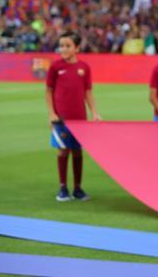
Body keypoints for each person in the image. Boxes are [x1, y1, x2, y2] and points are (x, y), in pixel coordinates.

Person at [45, 31, 100, 202]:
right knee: (63, 151)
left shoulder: (84, 68)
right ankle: (63, 188)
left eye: (68, 46)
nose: (64, 49)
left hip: (80, 119)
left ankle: (77, 188)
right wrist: (52, 113)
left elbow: (88, 92)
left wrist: (94, 112)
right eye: (61, 45)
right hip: (60, 119)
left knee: (77, 152)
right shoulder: (55, 67)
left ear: (76, 48)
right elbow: (48, 91)